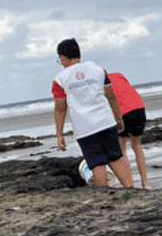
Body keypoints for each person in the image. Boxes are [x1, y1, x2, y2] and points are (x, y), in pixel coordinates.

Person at [52, 38, 134, 188]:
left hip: (85, 127)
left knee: (97, 163)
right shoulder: (97, 70)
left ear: (63, 57)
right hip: (106, 120)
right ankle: (130, 188)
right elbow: (111, 96)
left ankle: (103, 194)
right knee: (116, 157)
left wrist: (59, 134)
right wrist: (118, 118)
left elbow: (60, 107)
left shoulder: (60, 79)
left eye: (60, 59)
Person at [105, 70, 150, 189]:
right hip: (139, 106)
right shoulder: (118, 75)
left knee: (122, 149)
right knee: (137, 145)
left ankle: (130, 186)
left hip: (123, 112)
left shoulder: (100, 83)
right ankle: (145, 183)